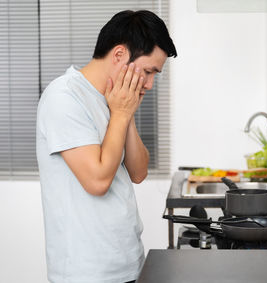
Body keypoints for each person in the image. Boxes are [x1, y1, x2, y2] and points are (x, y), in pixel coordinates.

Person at [36, 10, 177, 283]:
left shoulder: (116, 100)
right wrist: (121, 114)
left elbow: (138, 172)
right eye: (148, 72)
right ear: (119, 55)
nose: (149, 84)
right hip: (86, 272)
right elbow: (97, 181)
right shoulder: (64, 97)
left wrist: (126, 112)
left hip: (128, 262)